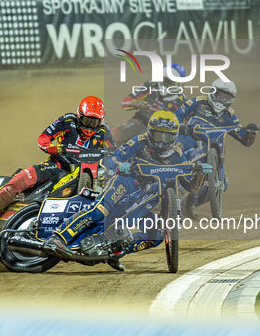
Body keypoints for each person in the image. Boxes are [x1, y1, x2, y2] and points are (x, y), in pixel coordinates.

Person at [43, 110, 211, 271]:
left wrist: (200, 175)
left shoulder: (177, 155)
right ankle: (58, 237)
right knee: (99, 210)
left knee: (157, 236)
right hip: (126, 182)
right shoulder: (139, 141)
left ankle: (113, 251)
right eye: (157, 136)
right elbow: (113, 158)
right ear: (150, 132)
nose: (160, 142)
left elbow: (191, 186)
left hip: (146, 197)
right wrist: (120, 165)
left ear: (174, 137)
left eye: (166, 137)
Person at [0, 96, 115, 234]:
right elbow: (43, 138)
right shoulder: (67, 121)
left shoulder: (104, 131)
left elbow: (116, 152)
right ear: (79, 116)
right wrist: (52, 148)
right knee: (25, 177)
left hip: (81, 173)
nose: (90, 127)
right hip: (56, 165)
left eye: (95, 122)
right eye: (87, 121)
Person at [174, 79, 259, 218]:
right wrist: (179, 125)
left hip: (213, 149)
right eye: (219, 95)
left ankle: (188, 202)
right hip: (189, 140)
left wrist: (251, 132)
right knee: (174, 152)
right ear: (213, 92)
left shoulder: (229, 115)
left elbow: (244, 139)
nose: (221, 99)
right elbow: (177, 114)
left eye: (226, 97)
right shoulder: (198, 102)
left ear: (231, 99)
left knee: (223, 185)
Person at [111, 63, 187, 146]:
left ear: (179, 84)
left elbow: (183, 123)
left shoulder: (181, 100)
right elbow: (125, 102)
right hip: (139, 122)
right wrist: (138, 104)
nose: (165, 84)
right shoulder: (150, 85)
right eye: (163, 79)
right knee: (114, 134)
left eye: (170, 82)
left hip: (160, 131)